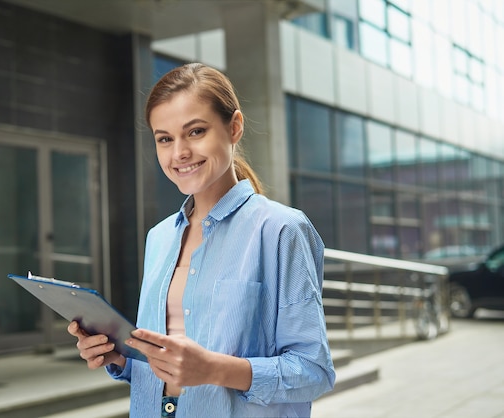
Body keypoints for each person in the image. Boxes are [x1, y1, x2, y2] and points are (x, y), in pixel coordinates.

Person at [68, 62, 335, 417]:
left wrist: (213, 369)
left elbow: (313, 371)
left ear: (234, 127)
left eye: (195, 132)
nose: (179, 152)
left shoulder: (281, 230)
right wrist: (120, 357)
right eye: (164, 138)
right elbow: (166, 367)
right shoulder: (159, 237)